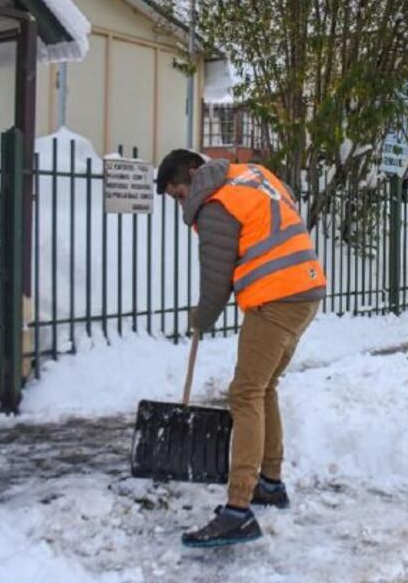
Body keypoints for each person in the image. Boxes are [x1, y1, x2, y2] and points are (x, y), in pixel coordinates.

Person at [156, 149, 326, 548]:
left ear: (194, 175)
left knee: (245, 393)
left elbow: (216, 282)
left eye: (180, 194)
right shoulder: (253, 175)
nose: (183, 203)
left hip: (277, 296)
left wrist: (201, 317)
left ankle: (238, 510)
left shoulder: (214, 202)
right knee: (263, 388)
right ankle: (269, 482)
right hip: (307, 289)